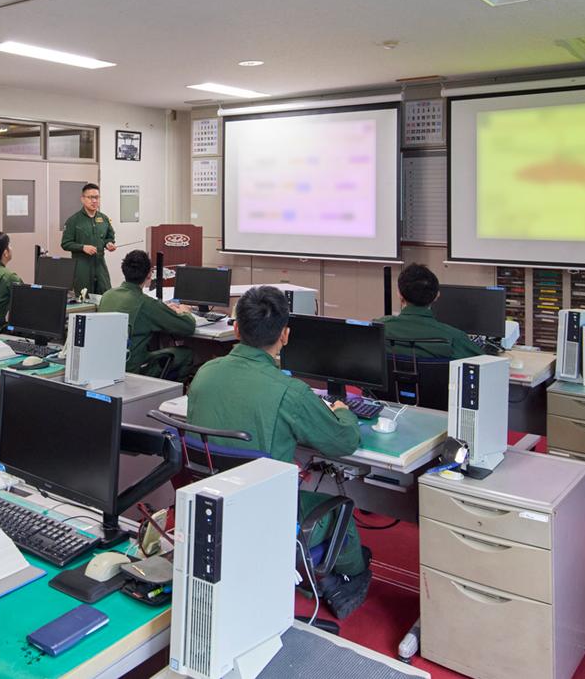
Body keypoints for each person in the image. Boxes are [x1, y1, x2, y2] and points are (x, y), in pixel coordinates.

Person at [188, 286, 371, 618]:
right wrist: (343, 412)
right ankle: (350, 579)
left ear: (236, 329)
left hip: (209, 506)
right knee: (339, 510)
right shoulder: (290, 392)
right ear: (285, 335)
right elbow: (344, 442)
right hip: (267, 514)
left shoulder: (204, 373)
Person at [96, 250, 196, 377]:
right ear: (149, 274)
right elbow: (188, 327)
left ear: (124, 270)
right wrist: (185, 311)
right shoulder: (146, 304)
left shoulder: (108, 295)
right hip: (133, 369)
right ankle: (173, 390)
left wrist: (162, 309)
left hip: (107, 367)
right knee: (186, 354)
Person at [374, 264, 480, 359]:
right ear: (437, 295)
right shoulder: (455, 338)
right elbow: (485, 363)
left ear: (400, 295)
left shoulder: (376, 329)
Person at [60, 183, 116, 295]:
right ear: (82, 199)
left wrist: (109, 244)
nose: (94, 201)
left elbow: (109, 237)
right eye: (90, 197)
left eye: (97, 197)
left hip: (100, 266)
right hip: (82, 268)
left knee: (105, 295)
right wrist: (83, 247)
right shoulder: (73, 220)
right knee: (84, 298)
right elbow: (65, 243)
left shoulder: (104, 219)